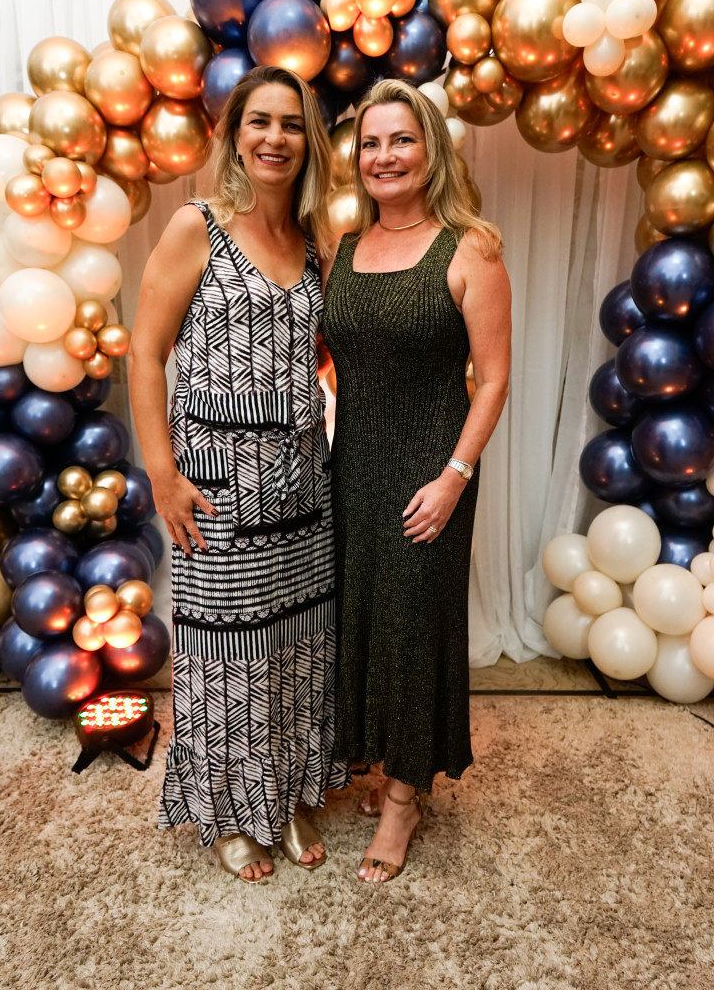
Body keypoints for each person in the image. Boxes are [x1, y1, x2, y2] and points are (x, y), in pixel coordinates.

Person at [129, 66, 349, 884]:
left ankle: (286, 796)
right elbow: (144, 352)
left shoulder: (317, 241)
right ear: (234, 134)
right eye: (260, 121)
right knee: (226, 652)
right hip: (218, 484)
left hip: (303, 483)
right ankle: (227, 811)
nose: (275, 138)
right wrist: (161, 473)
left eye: (291, 124)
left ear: (309, 142)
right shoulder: (198, 226)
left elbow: (321, 354)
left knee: (299, 644)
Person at [321, 78, 511, 883]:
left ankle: (404, 796)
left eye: (402, 139)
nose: (385, 155)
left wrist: (455, 477)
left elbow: (493, 379)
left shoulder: (470, 248)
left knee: (413, 624)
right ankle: (377, 759)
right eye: (371, 142)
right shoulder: (342, 248)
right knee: (362, 618)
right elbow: (332, 355)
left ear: (431, 149)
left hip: (433, 469)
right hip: (351, 466)